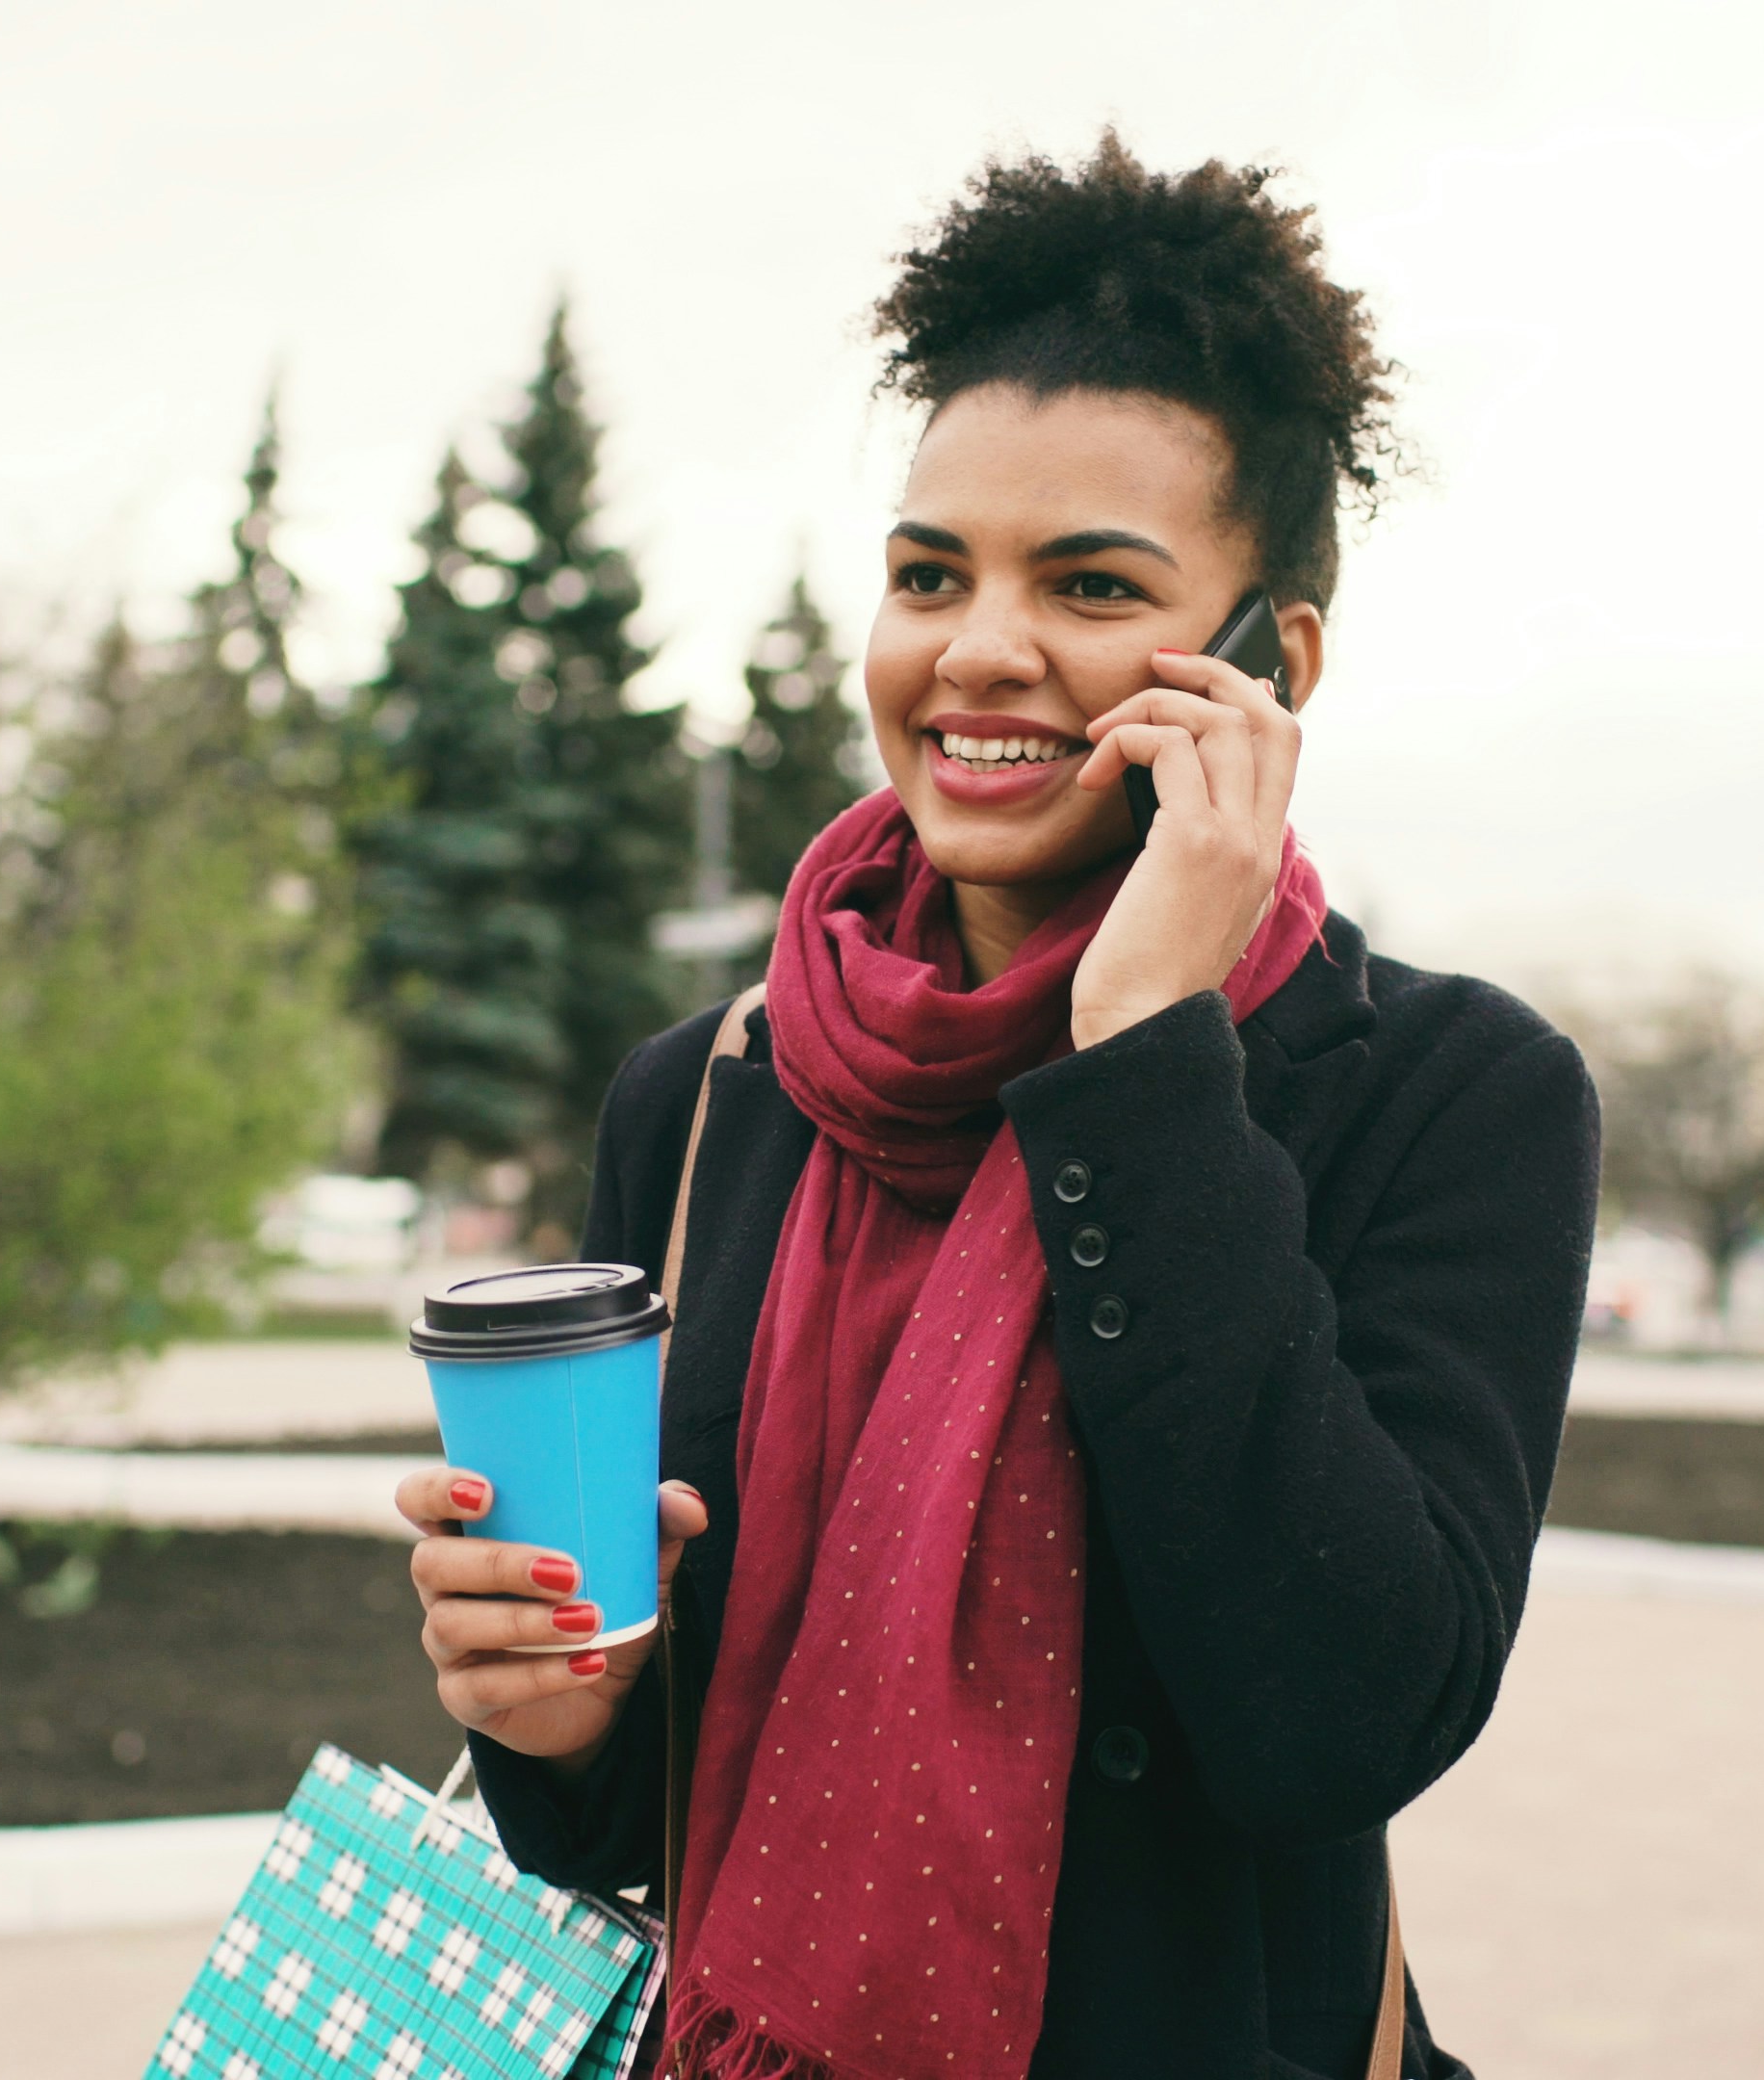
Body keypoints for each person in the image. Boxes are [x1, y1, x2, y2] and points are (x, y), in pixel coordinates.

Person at [394, 135, 1598, 2080]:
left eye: (1092, 585)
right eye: (928, 573)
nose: (977, 650)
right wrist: (550, 1718)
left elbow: (1343, 1722)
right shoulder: (712, 1092)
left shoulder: (1450, 1095)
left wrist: (1143, 1055)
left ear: (1268, 664)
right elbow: (645, 1821)